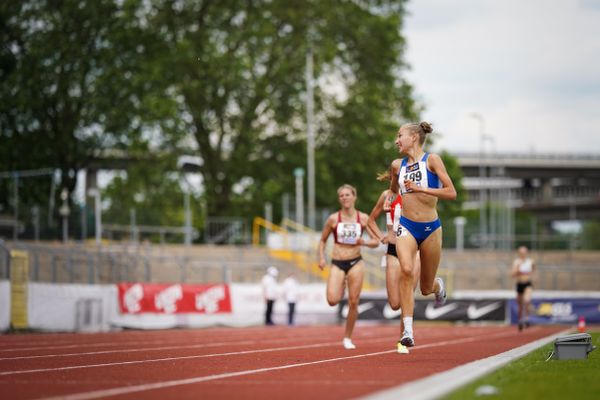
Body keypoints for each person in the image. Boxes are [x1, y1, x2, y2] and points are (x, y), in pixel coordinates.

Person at [387, 121, 457, 348]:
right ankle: (408, 331)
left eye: (400, 136)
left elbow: (451, 192)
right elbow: (393, 188)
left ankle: (437, 285)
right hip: (406, 226)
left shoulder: (432, 160)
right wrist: (391, 197)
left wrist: (421, 189)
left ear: (414, 137)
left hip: (431, 229)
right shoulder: (397, 165)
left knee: (425, 288)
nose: (396, 140)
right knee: (406, 271)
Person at [318, 184, 379, 349]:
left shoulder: (364, 218)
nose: (344, 198)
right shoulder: (333, 219)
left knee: (353, 301)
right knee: (332, 300)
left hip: (355, 262)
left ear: (354, 197)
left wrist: (364, 242)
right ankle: (341, 286)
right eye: (341, 196)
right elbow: (322, 240)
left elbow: (376, 241)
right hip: (337, 262)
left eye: (347, 195)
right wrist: (321, 258)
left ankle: (347, 337)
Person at [366, 173, 421, 354]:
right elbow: (370, 220)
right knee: (395, 303)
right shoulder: (386, 195)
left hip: (413, 251)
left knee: (407, 297)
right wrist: (380, 236)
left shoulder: (415, 193)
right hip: (392, 250)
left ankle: (405, 339)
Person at [511, 245, 536, 331]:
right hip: (519, 284)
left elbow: (533, 269)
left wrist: (529, 273)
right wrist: (518, 271)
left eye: (524, 252)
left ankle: (527, 318)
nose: (523, 254)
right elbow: (512, 274)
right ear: (519, 253)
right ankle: (520, 320)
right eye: (521, 253)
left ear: (526, 253)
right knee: (520, 305)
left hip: (527, 284)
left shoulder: (530, 261)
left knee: (526, 300)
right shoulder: (516, 262)